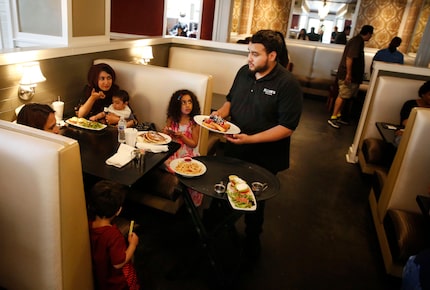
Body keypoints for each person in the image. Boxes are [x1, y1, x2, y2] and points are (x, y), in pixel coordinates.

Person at [213, 29, 303, 256]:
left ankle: (252, 240)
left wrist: (250, 139)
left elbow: (287, 128)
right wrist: (219, 116)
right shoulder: (244, 72)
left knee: (254, 200)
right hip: (234, 145)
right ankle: (223, 229)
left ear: (272, 56)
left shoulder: (287, 84)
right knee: (227, 190)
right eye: (248, 52)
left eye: (255, 54)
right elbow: (230, 101)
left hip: (265, 156)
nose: (249, 58)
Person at [88, 180, 140, 290]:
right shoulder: (112, 235)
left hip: (102, 277)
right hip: (117, 282)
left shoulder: (89, 225)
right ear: (118, 210)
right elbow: (118, 263)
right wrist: (132, 245)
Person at [162, 89, 203, 206]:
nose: (187, 105)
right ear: (177, 105)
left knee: (191, 171)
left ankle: (191, 203)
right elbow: (166, 138)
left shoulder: (194, 122)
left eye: (190, 102)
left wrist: (182, 136)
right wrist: (166, 132)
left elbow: (194, 143)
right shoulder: (172, 119)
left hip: (188, 153)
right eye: (183, 102)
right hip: (174, 152)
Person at [328, 25, 374, 129]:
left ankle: (338, 116)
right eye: (371, 34)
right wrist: (348, 74)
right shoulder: (357, 42)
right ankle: (333, 117)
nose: (371, 37)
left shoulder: (357, 41)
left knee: (346, 96)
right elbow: (350, 58)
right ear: (367, 33)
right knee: (343, 95)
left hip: (352, 76)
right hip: (348, 75)